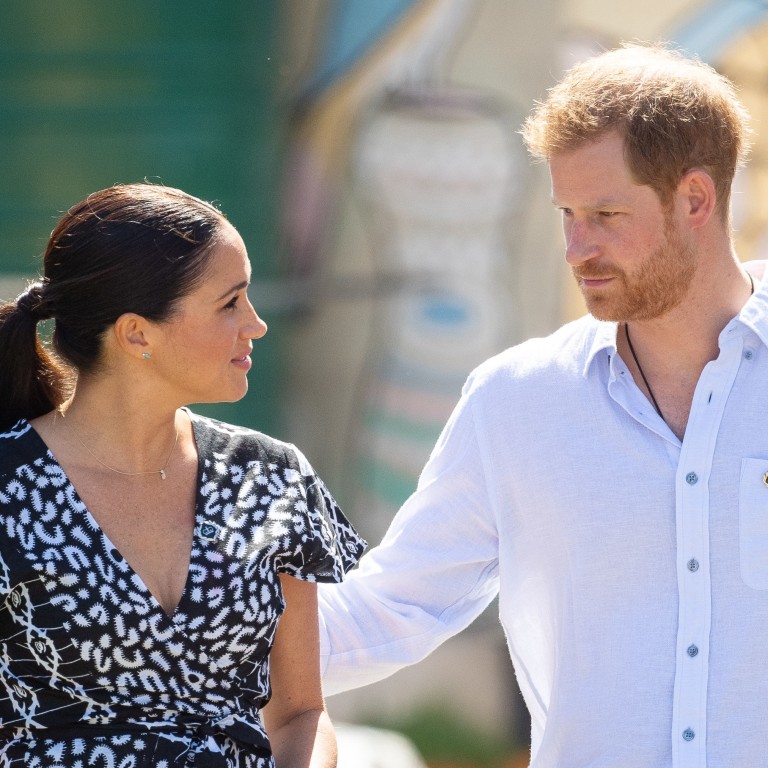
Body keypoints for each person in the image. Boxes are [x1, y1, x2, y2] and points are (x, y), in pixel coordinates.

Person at [317, 42, 768, 767]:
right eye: (567, 213)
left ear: (694, 199)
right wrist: (172, 639)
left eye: (605, 214)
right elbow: (391, 606)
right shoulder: (517, 401)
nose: (575, 248)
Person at [0, 183, 366, 768]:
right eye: (230, 303)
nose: (257, 325)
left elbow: (300, 712)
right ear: (136, 333)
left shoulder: (272, 479)